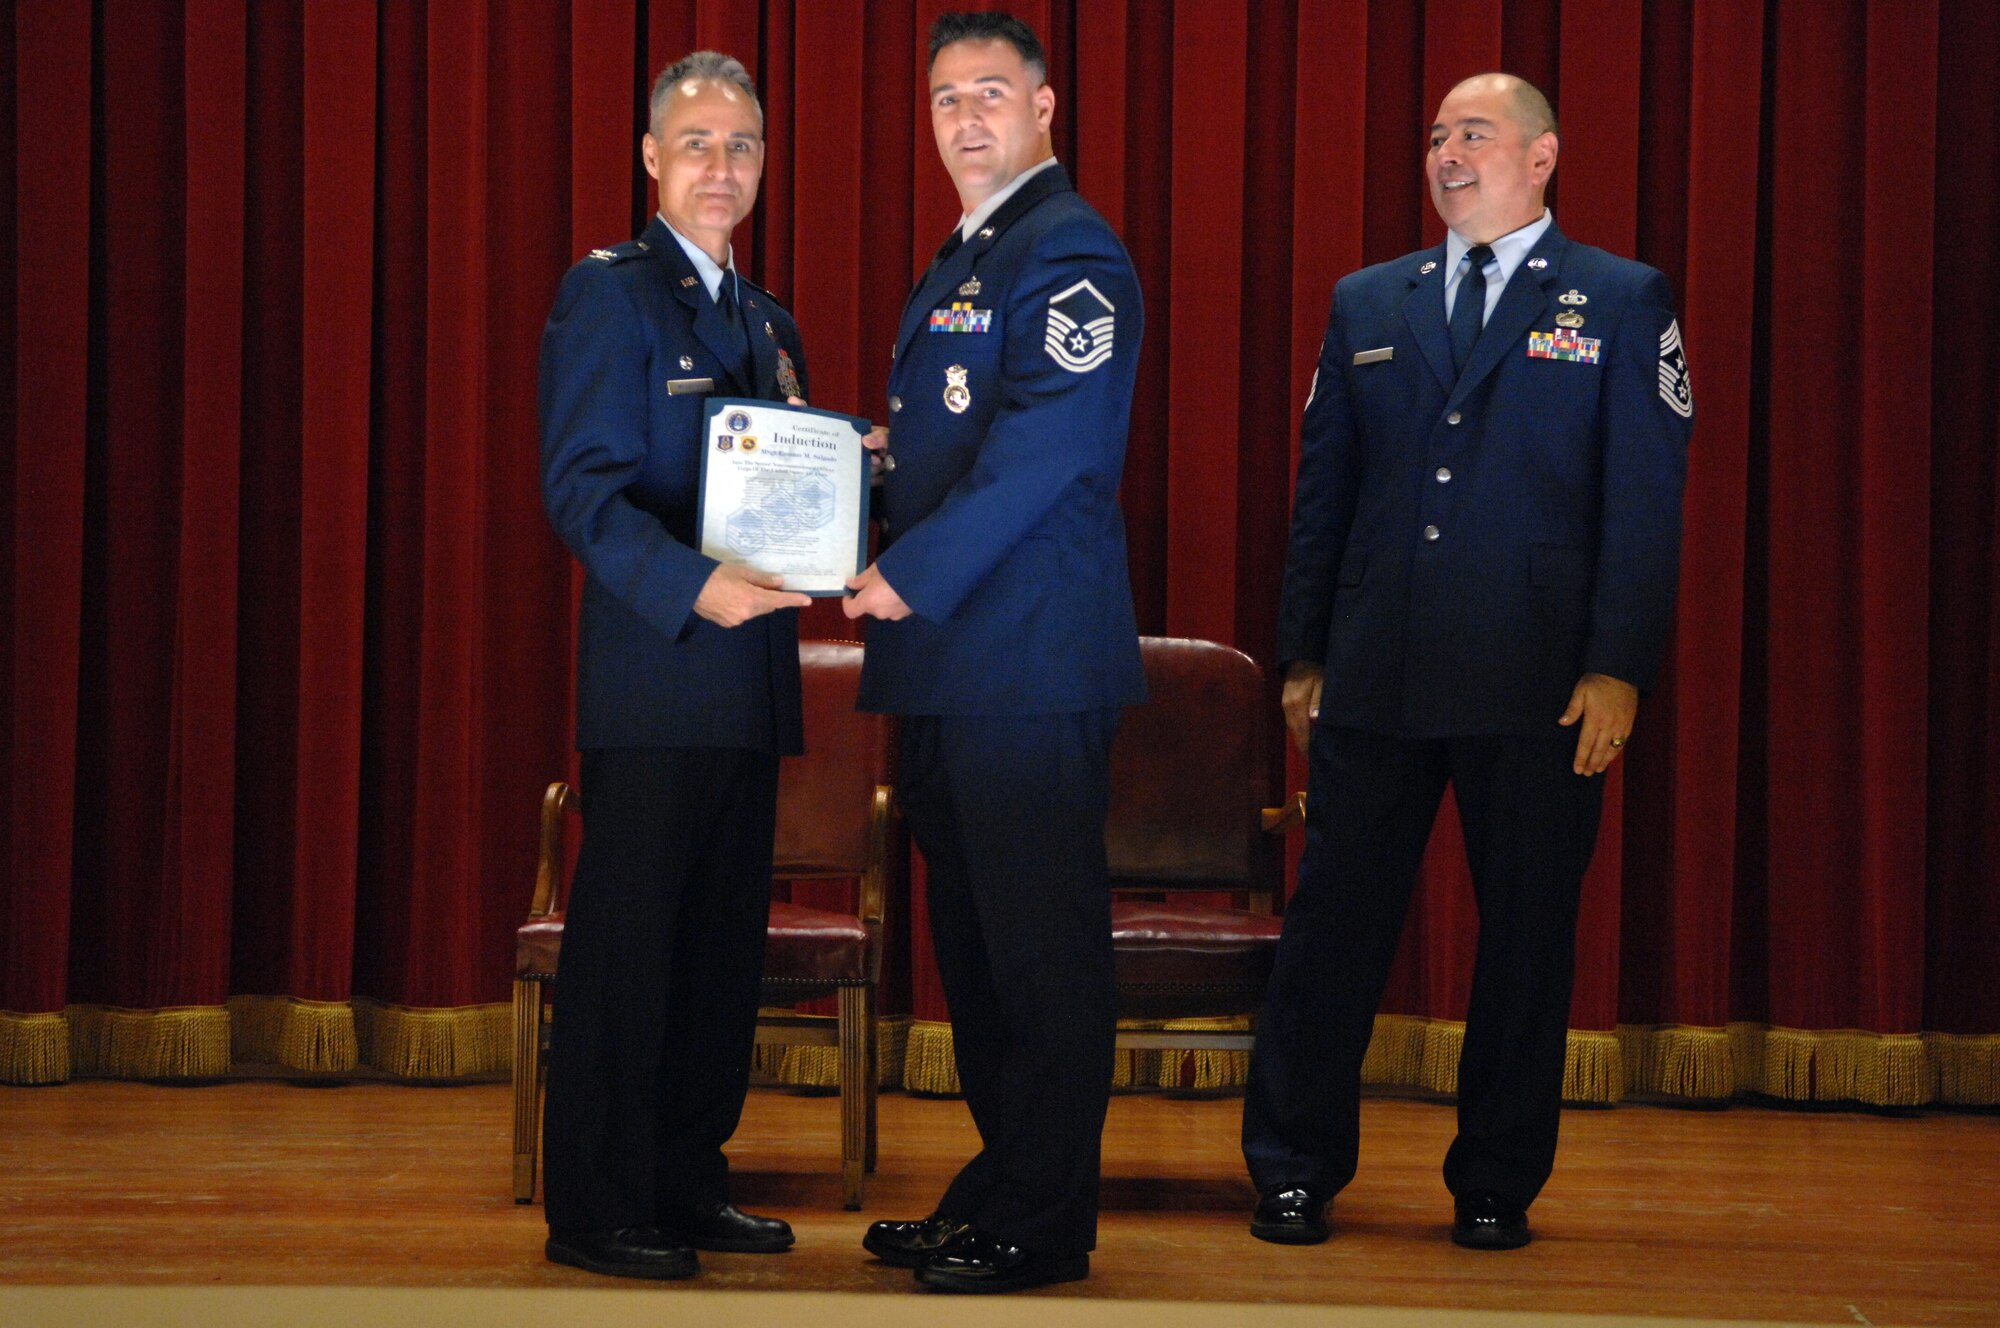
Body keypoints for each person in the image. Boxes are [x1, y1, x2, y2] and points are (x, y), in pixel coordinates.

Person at [1243, 73, 1693, 1252]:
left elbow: (1644, 505)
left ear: (1540, 156)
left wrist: (1619, 666)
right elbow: (1322, 491)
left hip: (1539, 684)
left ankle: (1494, 1179)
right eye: (1435, 134)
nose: (1445, 152)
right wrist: (1300, 651)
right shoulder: (1365, 300)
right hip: (1375, 672)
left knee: (1526, 942)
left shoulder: (1619, 298)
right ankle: (1293, 1165)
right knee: (1330, 931)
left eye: (1473, 134)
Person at [842, 10, 1146, 1296]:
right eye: (944, 98)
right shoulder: (971, 253)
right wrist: (870, 468)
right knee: (974, 954)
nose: (964, 119)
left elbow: (1051, 451)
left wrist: (905, 566)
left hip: (1022, 665)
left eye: (989, 94)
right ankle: (1002, 1182)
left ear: (1043, 107)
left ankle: (1042, 1219)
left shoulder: (1069, 253)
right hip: (957, 669)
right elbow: (963, 439)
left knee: (1036, 951)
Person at [536, 51, 814, 1281]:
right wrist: (696, 583)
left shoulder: (768, 323)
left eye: (741, 145)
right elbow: (582, 493)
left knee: (716, 956)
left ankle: (687, 1178)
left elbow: (779, 494)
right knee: (628, 951)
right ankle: (596, 1204)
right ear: (650, 158)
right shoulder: (612, 295)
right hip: (656, 677)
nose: (721, 166)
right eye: (697, 142)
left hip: (748, 687)